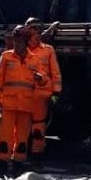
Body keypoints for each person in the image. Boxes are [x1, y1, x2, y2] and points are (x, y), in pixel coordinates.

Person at [0, 25, 48, 178]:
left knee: (22, 139)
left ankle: (17, 167)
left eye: (20, 41)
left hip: (26, 106)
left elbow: (44, 78)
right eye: (15, 41)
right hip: (9, 105)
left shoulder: (35, 60)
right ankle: (1, 168)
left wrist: (40, 78)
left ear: (26, 42)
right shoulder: (6, 57)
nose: (17, 45)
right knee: (4, 137)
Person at [25, 18, 62, 161]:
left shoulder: (47, 50)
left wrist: (55, 93)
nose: (36, 32)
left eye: (38, 29)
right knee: (21, 129)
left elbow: (55, 73)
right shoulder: (20, 49)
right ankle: (18, 159)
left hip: (41, 98)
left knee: (38, 129)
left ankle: (36, 158)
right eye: (32, 28)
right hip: (23, 96)